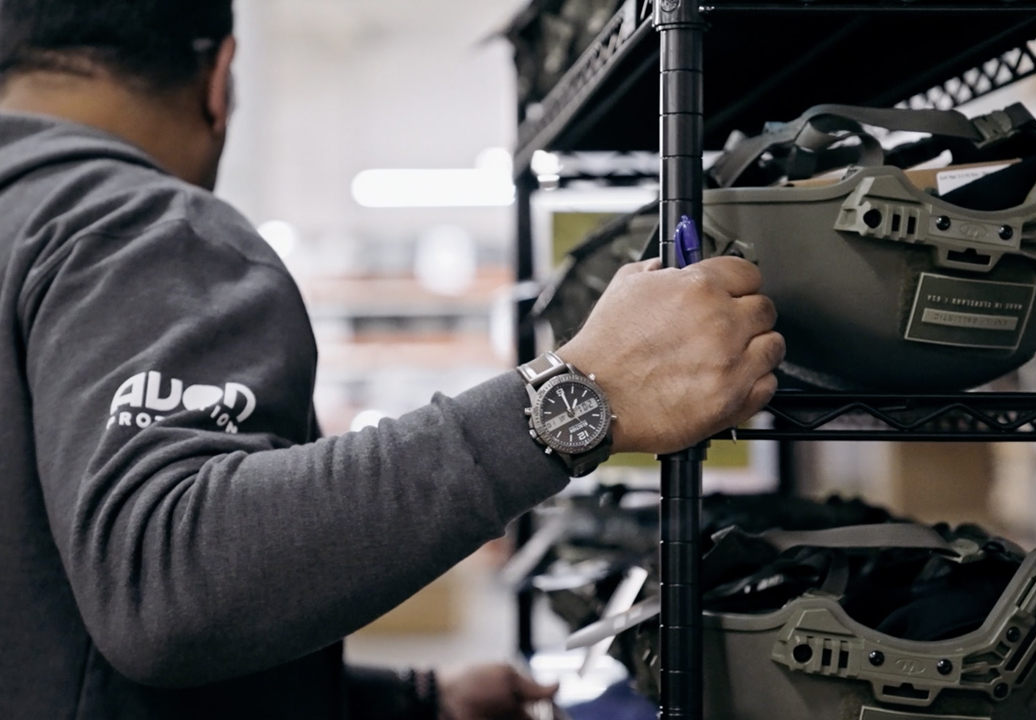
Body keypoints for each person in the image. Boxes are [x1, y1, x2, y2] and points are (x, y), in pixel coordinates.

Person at [0, 1, 785, 719]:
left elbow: (45, 625)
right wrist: (578, 398)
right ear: (220, 78)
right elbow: (164, 582)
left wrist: (411, 702)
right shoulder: (138, 227)